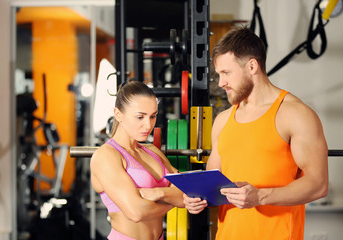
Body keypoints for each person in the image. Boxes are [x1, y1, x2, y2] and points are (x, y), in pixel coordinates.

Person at [183, 26, 329, 240]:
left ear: (252, 66)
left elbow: (318, 184)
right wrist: (196, 198)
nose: (221, 82)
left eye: (226, 73)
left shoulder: (294, 114)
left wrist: (260, 196)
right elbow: (213, 188)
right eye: (218, 74)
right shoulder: (223, 121)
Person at [90, 81, 184, 240]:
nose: (148, 125)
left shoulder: (153, 151)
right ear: (118, 114)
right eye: (140, 117)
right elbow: (136, 212)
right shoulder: (106, 155)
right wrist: (174, 200)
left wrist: (157, 193)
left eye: (153, 116)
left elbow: (184, 190)